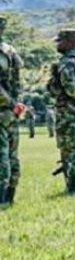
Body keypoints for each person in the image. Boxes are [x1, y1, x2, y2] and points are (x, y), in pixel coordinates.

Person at [46, 29, 75, 194]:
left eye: (61, 41)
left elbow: (69, 88)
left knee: (70, 148)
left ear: (70, 42)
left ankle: (73, 185)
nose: (58, 44)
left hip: (67, 110)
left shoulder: (65, 62)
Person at [0, 17, 22, 206]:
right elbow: (17, 83)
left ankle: (1, 197)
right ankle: (10, 194)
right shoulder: (11, 51)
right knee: (12, 154)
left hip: (3, 108)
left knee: (2, 155)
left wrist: (11, 102)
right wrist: (17, 103)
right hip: (11, 111)